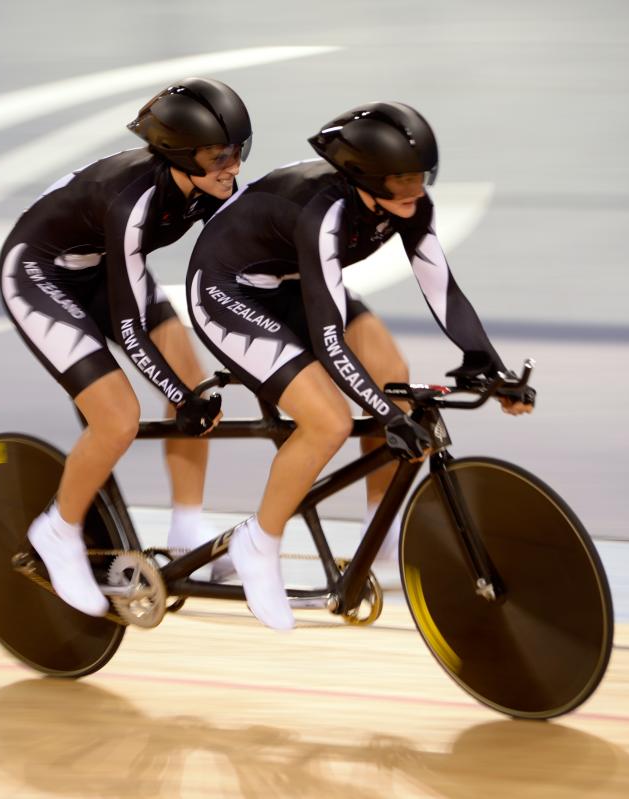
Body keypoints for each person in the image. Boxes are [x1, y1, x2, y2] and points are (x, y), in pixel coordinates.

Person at [185, 102, 533, 630]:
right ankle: (260, 540)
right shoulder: (322, 214)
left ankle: (382, 530)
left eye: (421, 176)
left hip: (290, 286)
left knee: (395, 372)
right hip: (227, 290)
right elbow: (328, 338)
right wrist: (385, 417)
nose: (415, 190)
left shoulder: (410, 204)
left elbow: (441, 289)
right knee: (329, 421)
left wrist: (490, 365)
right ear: (365, 179)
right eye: (401, 180)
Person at [0, 78, 252, 617]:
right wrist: (179, 399)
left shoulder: (208, 183)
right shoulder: (131, 200)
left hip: (97, 270)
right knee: (118, 418)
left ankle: (186, 529)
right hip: (39, 276)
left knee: (192, 372)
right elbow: (131, 327)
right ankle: (58, 530)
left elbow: (242, 261)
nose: (231, 165)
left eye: (238, 150)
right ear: (180, 156)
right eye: (218, 155)